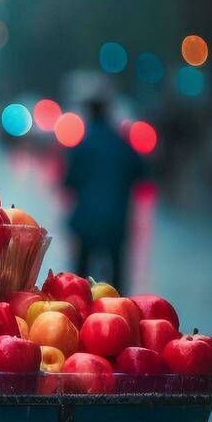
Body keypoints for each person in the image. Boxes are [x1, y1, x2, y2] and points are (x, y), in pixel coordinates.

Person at [61, 96, 147, 291]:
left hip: (86, 219)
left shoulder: (83, 144)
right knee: (117, 275)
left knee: (80, 280)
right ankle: (119, 313)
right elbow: (142, 174)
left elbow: (69, 181)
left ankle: (80, 315)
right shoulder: (122, 142)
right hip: (116, 218)